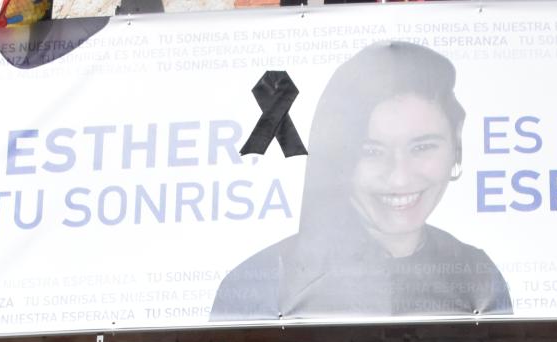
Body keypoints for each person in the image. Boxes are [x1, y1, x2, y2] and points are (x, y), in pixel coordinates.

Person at [210, 41, 512, 322]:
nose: (399, 177)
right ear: (337, 159)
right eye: (371, 151)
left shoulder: (478, 277)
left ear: (456, 143)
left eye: (422, 147)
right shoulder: (260, 283)